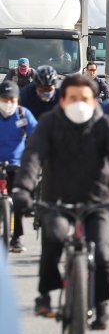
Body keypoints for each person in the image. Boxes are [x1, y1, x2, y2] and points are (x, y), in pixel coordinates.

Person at [12, 74, 109, 328]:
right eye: (72, 98)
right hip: (57, 199)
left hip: (98, 200)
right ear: (62, 100)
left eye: (84, 98)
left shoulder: (105, 125)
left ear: (95, 100)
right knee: (53, 240)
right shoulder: (50, 123)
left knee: (104, 254)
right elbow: (32, 157)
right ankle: (45, 293)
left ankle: (102, 304)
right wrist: (22, 189)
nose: (78, 103)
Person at [0, 81, 37, 252]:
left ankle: (16, 238)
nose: (8, 102)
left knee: (20, 202)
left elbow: (38, 136)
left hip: (17, 165)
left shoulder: (23, 114)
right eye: (4, 99)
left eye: (11, 99)